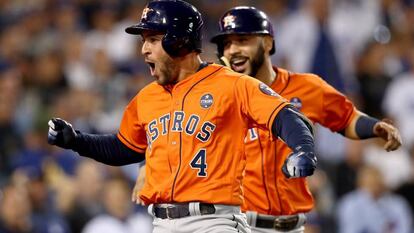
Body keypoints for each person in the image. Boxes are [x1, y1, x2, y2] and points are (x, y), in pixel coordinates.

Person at [47, 1, 317, 233]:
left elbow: (285, 115)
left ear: (178, 41)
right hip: (162, 223)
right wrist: (77, 140)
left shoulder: (232, 85)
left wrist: (303, 148)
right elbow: (124, 148)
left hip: (214, 221)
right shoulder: (147, 97)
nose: (144, 50)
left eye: (153, 40)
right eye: (144, 41)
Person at [207, 6, 401, 233]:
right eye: (226, 44)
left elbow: (346, 117)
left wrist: (375, 127)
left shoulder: (306, 87)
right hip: (241, 224)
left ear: (268, 43)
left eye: (242, 40)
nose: (233, 50)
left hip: (296, 224)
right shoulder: (218, 99)